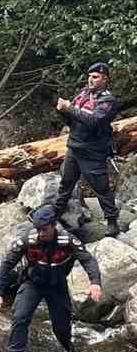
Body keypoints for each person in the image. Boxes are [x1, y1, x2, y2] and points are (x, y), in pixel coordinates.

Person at [0, 203, 102, 352]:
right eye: (38, 229)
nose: (41, 233)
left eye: (44, 229)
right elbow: (6, 265)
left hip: (57, 287)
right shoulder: (28, 240)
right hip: (32, 284)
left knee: (61, 328)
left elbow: (88, 260)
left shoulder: (68, 241)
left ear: (53, 224)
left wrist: (95, 283)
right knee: (20, 316)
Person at [55, 60, 121, 237]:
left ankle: (112, 222)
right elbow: (71, 120)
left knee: (101, 188)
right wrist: (62, 111)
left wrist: (70, 109)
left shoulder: (107, 100)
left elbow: (95, 121)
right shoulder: (82, 95)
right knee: (66, 183)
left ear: (104, 79)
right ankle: (54, 215)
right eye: (89, 76)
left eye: (95, 77)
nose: (90, 80)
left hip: (93, 151)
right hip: (74, 147)